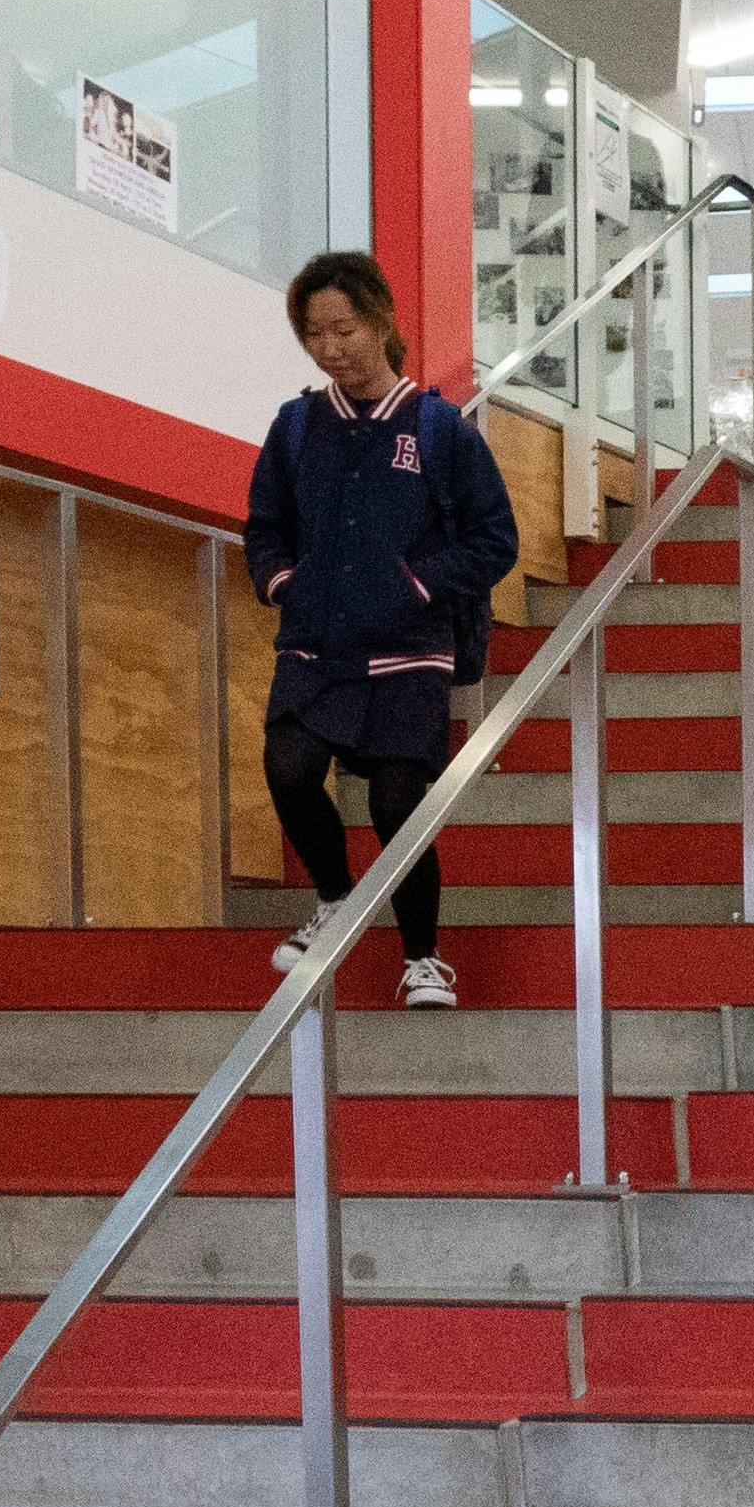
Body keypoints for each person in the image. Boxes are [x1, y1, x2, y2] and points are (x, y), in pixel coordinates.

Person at [244, 251, 516, 1010]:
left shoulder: (438, 430)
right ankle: (334, 898)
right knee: (288, 767)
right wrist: (286, 584)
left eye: (345, 328)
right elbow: (264, 528)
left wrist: (418, 583)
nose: (331, 348)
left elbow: (496, 540)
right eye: (315, 334)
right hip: (316, 643)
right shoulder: (296, 427)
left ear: (383, 321)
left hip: (408, 649)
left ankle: (423, 957)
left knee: (399, 804)